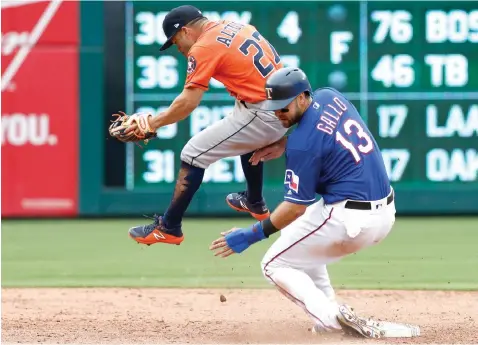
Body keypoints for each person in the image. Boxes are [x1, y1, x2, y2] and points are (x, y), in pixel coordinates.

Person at [209, 67, 397, 338]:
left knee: (273, 264)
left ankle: (332, 320)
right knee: (295, 233)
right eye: (273, 108)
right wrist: (285, 143)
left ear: (301, 98)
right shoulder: (331, 97)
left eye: (283, 108)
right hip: (383, 211)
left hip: (350, 220)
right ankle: (329, 312)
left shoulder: (302, 145)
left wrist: (250, 236)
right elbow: (326, 132)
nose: (277, 114)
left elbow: (294, 206)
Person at [127, 5, 288, 246]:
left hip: (263, 112)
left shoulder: (203, 47)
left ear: (185, 31)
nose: (178, 49)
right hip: (282, 105)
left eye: (175, 41)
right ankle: (254, 200)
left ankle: (169, 227)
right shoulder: (235, 25)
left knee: (192, 154)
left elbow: (188, 103)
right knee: (244, 132)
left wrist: (152, 123)